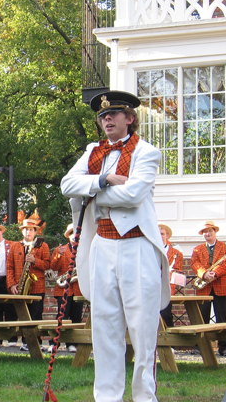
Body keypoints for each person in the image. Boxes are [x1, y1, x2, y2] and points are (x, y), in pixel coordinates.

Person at [61, 90, 170, 401]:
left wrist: (90, 193)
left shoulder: (146, 152)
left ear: (130, 119)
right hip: (103, 246)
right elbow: (67, 185)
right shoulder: (94, 152)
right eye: (102, 115)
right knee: (105, 329)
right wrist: (104, 180)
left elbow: (134, 195)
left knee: (142, 330)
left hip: (137, 247)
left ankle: (144, 397)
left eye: (113, 114)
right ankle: (106, 397)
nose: (106, 118)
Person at [190, 221, 226, 356]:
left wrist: (214, 273)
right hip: (204, 286)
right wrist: (204, 273)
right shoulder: (197, 249)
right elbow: (194, 263)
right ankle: (200, 346)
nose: (207, 234)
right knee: (201, 317)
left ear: (215, 232)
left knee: (222, 318)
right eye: (204, 232)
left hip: (221, 285)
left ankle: (224, 347)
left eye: (210, 231)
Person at [7, 218, 50, 351]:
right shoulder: (15, 246)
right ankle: (26, 342)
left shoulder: (43, 246)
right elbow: (9, 267)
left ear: (35, 232)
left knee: (36, 314)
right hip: (20, 286)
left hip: (37, 286)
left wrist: (35, 260)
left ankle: (37, 342)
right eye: (25, 229)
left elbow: (48, 265)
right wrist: (12, 284)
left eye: (31, 229)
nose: (28, 232)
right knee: (24, 315)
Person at [48, 223, 83, 353]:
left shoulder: (84, 249)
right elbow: (54, 267)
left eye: (77, 233)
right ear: (68, 236)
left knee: (76, 317)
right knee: (62, 316)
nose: (74, 236)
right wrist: (59, 255)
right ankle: (54, 343)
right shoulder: (60, 249)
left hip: (78, 288)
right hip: (63, 288)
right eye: (71, 233)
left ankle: (72, 344)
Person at [158, 223, 183, 328]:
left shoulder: (176, 252)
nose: (160, 236)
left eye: (162, 234)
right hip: (151, 287)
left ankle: (170, 342)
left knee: (166, 315)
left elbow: (177, 270)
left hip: (167, 287)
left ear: (167, 235)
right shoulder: (149, 250)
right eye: (158, 234)